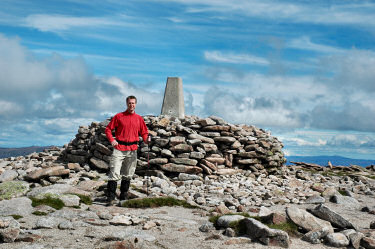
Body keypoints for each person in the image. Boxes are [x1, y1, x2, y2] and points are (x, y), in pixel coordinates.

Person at [105, 95, 149, 205]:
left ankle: (123, 197)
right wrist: (112, 140)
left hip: (132, 149)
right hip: (119, 148)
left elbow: (144, 132)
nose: (131, 105)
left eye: (133, 103)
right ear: (126, 104)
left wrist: (146, 139)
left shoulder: (139, 118)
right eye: (130, 103)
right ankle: (110, 198)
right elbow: (108, 129)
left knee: (128, 174)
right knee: (114, 172)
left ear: (136, 104)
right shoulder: (119, 116)